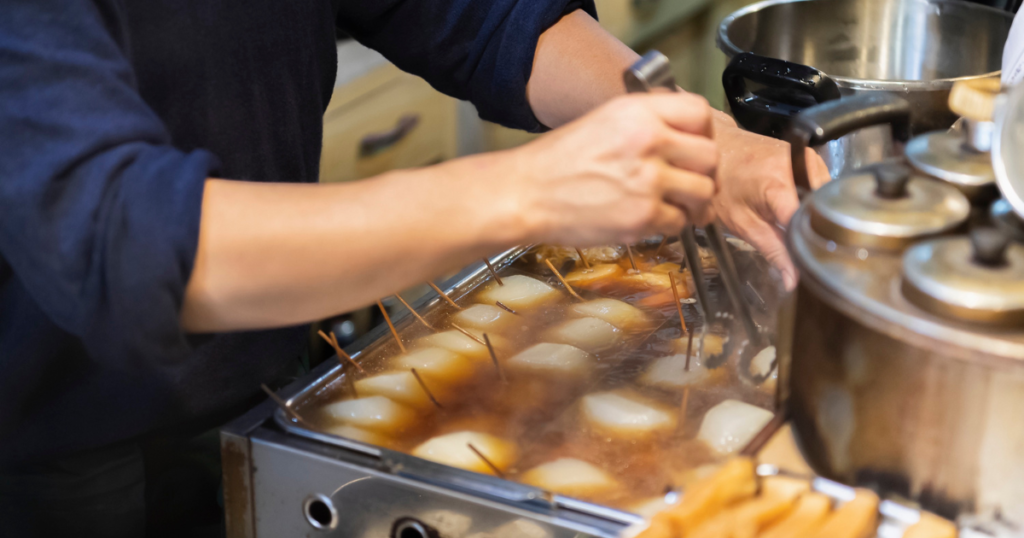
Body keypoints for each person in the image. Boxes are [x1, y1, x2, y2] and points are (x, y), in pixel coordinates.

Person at [0, 0, 828, 536]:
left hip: (262, 381)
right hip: (46, 438)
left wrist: (707, 142)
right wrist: (522, 191)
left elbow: (477, 16)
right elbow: (125, 239)